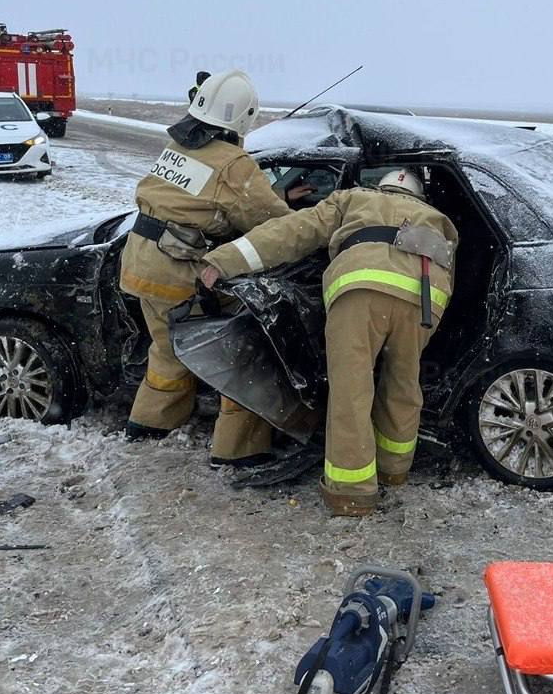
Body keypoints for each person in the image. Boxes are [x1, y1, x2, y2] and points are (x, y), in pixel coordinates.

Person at [200, 169, 458, 517]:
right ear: (418, 196)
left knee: (352, 390)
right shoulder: (439, 220)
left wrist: (224, 259)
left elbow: (292, 232)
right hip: (424, 299)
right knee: (402, 384)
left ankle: (352, 493)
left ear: (377, 187)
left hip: (361, 288)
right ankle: (393, 472)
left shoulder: (352, 198)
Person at [119, 69, 306, 467]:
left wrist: (275, 191)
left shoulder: (178, 146)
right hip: (180, 272)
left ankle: (149, 423)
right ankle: (238, 449)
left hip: (140, 264)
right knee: (236, 354)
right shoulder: (233, 162)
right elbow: (270, 221)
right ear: (244, 118)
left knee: (167, 346)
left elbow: (202, 197)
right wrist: (298, 214)